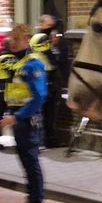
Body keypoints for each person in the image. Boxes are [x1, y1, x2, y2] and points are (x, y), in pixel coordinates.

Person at [0, 23, 47, 203]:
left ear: (27, 39)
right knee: (26, 164)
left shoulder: (33, 64)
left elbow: (39, 97)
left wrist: (17, 117)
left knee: (31, 164)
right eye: (11, 38)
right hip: (19, 119)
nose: (11, 42)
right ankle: (31, 202)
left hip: (28, 121)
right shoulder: (19, 63)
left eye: (16, 38)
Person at [37, 14, 66, 146]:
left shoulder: (52, 38)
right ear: (42, 24)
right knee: (45, 112)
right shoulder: (39, 40)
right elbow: (50, 60)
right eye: (48, 26)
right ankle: (45, 139)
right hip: (44, 81)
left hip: (53, 81)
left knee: (51, 112)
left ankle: (49, 138)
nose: (51, 30)